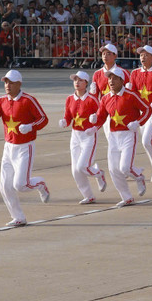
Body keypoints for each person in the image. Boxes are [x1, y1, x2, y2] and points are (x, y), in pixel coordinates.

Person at [0, 69, 50, 227]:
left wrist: (31, 126)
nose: (7, 85)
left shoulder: (28, 100)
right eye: (5, 82)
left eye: (10, 82)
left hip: (25, 147)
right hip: (8, 148)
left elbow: (44, 119)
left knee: (21, 185)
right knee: (4, 186)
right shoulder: (2, 100)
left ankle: (40, 184)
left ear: (19, 83)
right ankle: (18, 217)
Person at [89, 67, 150, 207]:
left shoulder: (131, 95)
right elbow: (101, 117)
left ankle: (139, 177)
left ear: (122, 80)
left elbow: (147, 109)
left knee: (124, 167)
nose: (111, 81)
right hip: (113, 136)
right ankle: (127, 197)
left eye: (115, 78)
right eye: (109, 78)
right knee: (113, 169)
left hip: (128, 134)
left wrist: (138, 122)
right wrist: (93, 124)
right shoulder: (105, 99)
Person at [58, 71, 107, 204]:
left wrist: (94, 127)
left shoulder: (92, 99)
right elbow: (68, 116)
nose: (77, 83)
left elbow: (101, 117)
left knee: (82, 166)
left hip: (88, 135)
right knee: (75, 170)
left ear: (86, 83)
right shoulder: (69, 99)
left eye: (80, 80)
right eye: (75, 80)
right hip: (75, 136)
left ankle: (99, 174)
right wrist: (64, 122)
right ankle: (88, 195)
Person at [129, 45, 152, 181]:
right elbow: (132, 94)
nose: (143, 57)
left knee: (147, 141)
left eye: (146, 55)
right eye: (141, 55)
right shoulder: (135, 73)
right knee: (148, 141)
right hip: (142, 113)